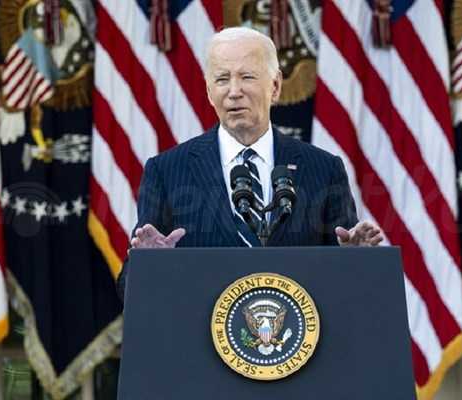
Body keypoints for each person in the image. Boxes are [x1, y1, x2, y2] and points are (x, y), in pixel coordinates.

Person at [116, 27, 382, 300]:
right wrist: (148, 266)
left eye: (247, 77)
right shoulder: (166, 171)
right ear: (209, 91)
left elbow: (352, 289)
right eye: (222, 79)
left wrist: (358, 262)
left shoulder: (324, 169)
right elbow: (129, 291)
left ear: (275, 86)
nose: (234, 91)